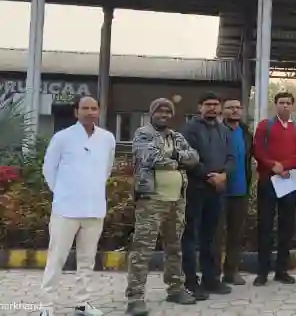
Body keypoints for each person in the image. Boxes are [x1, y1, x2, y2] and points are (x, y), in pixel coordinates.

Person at [39, 96, 116, 316]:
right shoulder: (62, 137)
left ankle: (82, 304)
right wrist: (63, 192)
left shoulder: (107, 138)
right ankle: (46, 305)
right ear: (76, 112)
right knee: (56, 258)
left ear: (99, 111)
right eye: (85, 108)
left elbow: (107, 169)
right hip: (66, 209)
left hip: (94, 208)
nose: (90, 112)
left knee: (87, 260)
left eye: (94, 108)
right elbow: (49, 168)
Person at [125, 98, 199, 316]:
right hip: (151, 200)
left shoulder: (176, 136)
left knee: (174, 247)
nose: (164, 115)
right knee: (142, 250)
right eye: (160, 111)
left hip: (177, 201)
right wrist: (177, 159)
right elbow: (149, 157)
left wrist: (174, 156)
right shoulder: (143, 133)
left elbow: (194, 158)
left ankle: (175, 289)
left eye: (168, 111)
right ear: (152, 113)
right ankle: (135, 298)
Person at [252, 92, 296, 286]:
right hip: (268, 181)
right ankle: (262, 272)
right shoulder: (265, 126)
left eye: (288, 103)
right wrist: (272, 166)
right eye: (281, 102)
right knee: (265, 226)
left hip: (289, 181)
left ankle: (281, 270)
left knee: (287, 226)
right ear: (275, 105)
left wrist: (284, 166)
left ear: (293, 105)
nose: (285, 105)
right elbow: (258, 150)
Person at [181, 92, 235, 298]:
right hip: (196, 190)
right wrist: (208, 176)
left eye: (215, 104)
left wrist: (224, 175)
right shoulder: (189, 129)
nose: (212, 108)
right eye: (207, 104)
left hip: (217, 191)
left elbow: (231, 157)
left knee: (210, 237)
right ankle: (190, 282)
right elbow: (189, 158)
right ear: (199, 107)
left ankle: (211, 279)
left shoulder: (224, 130)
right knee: (191, 236)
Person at [214, 98, 253, 286]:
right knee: (216, 235)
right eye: (230, 108)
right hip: (219, 190)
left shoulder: (245, 133)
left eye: (238, 107)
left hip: (241, 189)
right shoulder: (216, 131)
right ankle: (214, 273)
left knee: (236, 234)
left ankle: (231, 271)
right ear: (223, 110)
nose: (235, 110)